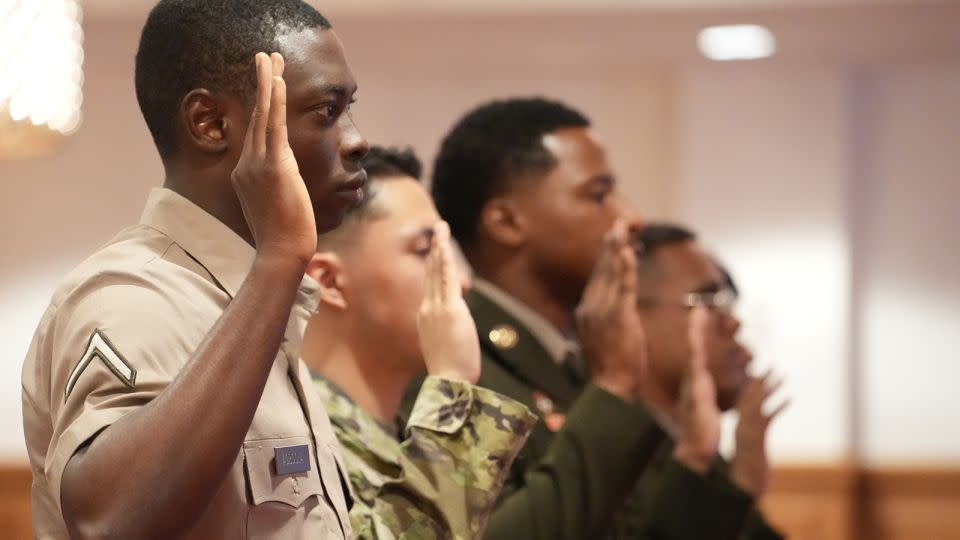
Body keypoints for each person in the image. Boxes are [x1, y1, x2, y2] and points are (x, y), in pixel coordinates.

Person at [21, 1, 372, 537]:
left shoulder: (250, 305)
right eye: (326, 111)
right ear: (210, 123)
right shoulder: (133, 295)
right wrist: (279, 259)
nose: (356, 139)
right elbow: (111, 520)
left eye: (348, 109)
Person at [404, 97, 725, 539]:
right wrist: (612, 386)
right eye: (598, 194)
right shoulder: (462, 362)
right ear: (506, 221)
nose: (629, 217)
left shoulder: (571, 359)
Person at [301, 146, 537, 539]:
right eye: (425, 250)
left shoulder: (402, 431)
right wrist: (453, 382)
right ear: (328, 281)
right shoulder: (292, 439)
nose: (460, 281)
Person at [629, 223, 787, 539]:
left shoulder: (685, 442)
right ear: (630, 314)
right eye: (707, 300)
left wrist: (740, 483)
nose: (733, 323)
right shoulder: (612, 450)